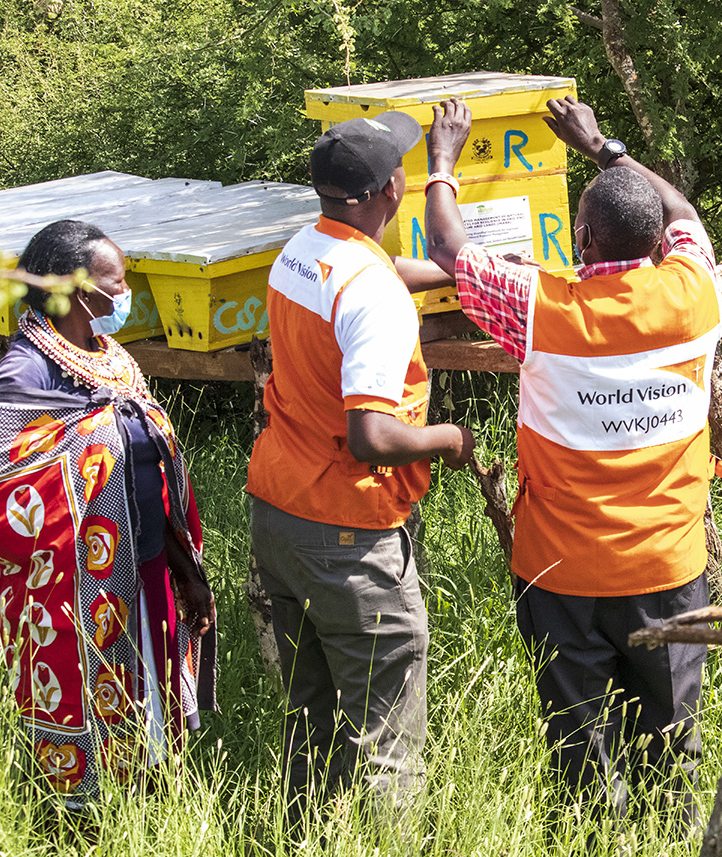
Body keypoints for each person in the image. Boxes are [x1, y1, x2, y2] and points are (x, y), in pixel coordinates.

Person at [423, 96, 722, 823]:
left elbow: (447, 249)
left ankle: (595, 837)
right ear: (655, 242)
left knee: (581, 748)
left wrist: (441, 160)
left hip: (562, 570)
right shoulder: (693, 292)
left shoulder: (538, 306)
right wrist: (603, 148)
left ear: (580, 236)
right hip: (670, 567)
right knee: (672, 743)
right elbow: (684, 214)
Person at [246, 114, 475, 820]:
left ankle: (304, 832)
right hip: (346, 530)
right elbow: (372, 434)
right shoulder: (371, 295)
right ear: (393, 190)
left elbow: (379, 270)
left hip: (278, 512)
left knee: (312, 716)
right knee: (386, 740)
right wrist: (450, 439)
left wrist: (461, 267)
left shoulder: (302, 249)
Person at [0, 219, 217, 800]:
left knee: (149, 707)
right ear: (81, 291)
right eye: (118, 283)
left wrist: (185, 570)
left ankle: (148, 812)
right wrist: (87, 443)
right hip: (77, 590)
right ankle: (80, 823)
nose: (125, 294)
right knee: (92, 715)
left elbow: (148, 470)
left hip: (146, 566)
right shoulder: (28, 369)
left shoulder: (107, 353)